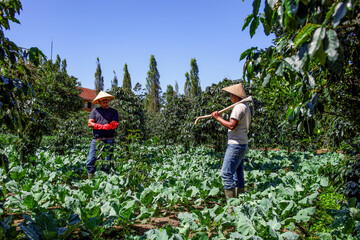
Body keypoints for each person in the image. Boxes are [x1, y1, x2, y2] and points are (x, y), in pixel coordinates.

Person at [211, 83, 251, 198]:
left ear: (236, 95)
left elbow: (232, 125)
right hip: (242, 143)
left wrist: (217, 118)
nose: (230, 97)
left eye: (230, 95)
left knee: (226, 173)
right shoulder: (245, 106)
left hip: (236, 145)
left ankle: (231, 206)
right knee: (238, 175)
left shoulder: (238, 107)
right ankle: (240, 202)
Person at [86, 91, 119, 179]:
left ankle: (105, 181)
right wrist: (100, 126)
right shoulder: (95, 111)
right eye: (103, 100)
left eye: (106, 100)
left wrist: (110, 125)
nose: (105, 101)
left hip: (109, 139)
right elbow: (89, 123)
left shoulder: (113, 111)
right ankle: (90, 180)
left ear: (108, 101)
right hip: (97, 139)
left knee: (107, 161)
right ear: (99, 102)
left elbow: (115, 122)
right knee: (91, 160)